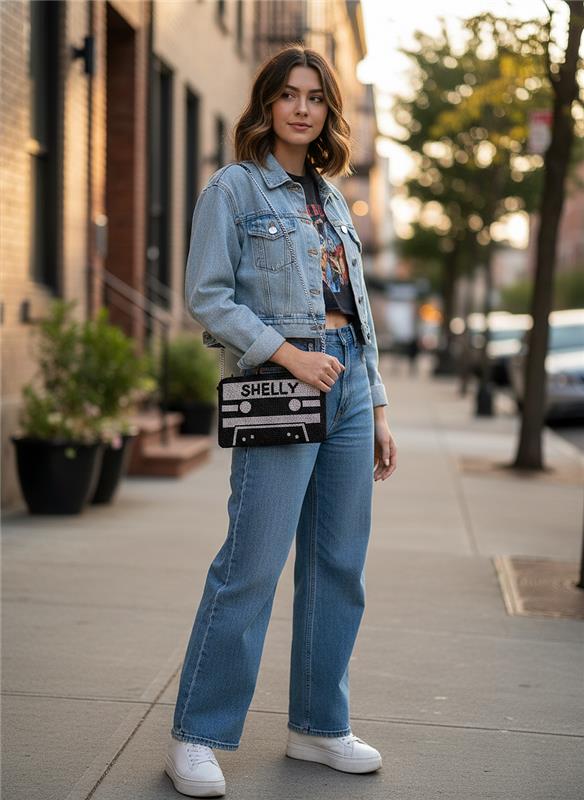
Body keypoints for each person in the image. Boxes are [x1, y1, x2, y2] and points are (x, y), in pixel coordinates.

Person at [165, 45, 397, 798]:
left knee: (340, 567)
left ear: (329, 111)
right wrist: (288, 354)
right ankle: (197, 736)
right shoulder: (233, 190)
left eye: (315, 97)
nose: (302, 108)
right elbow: (209, 297)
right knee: (252, 565)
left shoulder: (332, 198)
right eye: (288, 95)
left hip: (350, 384)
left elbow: (357, 314)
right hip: (282, 385)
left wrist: (379, 403)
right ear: (266, 104)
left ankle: (318, 727)